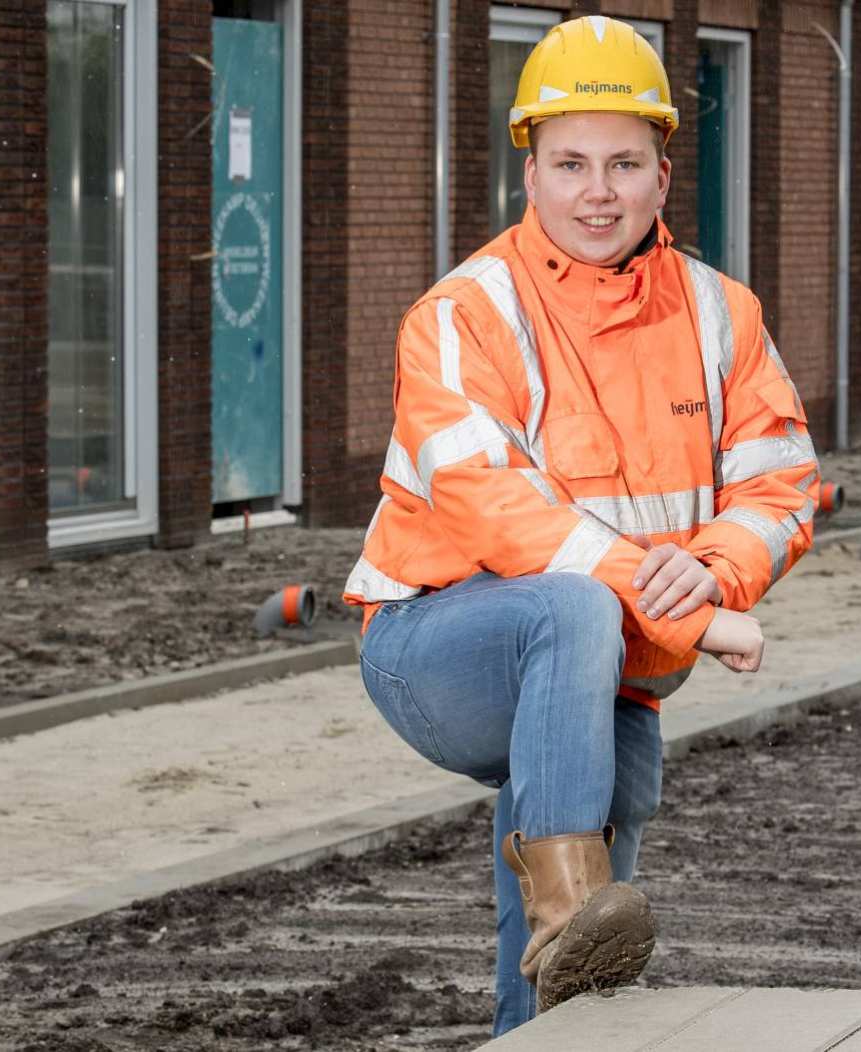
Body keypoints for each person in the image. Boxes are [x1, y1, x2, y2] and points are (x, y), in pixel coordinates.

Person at [342, 14, 820, 1036]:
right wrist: (689, 614)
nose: (595, 190)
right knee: (564, 612)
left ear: (660, 174)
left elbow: (781, 484)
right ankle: (566, 905)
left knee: (598, 855)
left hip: (615, 667)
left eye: (621, 162)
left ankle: (547, 990)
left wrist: (717, 572)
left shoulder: (719, 312)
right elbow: (494, 508)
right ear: (529, 171)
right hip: (436, 645)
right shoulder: (462, 314)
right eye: (568, 163)